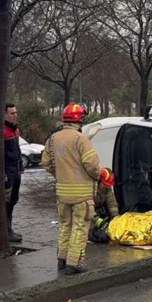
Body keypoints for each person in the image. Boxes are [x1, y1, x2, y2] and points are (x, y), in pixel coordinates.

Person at [41, 103, 101, 275]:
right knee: (80, 227)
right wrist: (95, 176)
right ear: (79, 119)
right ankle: (75, 263)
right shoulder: (80, 138)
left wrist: (59, 174)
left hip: (62, 192)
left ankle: (62, 258)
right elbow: (92, 164)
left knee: (65, 225)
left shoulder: (52, 139)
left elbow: (46, 162)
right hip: (81, 194)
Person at [4, 103, 24, 242]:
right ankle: (6, 230)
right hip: (8, 170)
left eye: (16, 112)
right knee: (6, 201)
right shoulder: (3, 131)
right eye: (12, 113)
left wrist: (21, 165)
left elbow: (17, 149)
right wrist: (3, 172)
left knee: (13, 200)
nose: (15, 115)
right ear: (4, 115)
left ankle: (9, 228)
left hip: (15, 169)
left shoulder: (15, 130)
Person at [88, 168, 119, 243]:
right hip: (88, 214)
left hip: (98, 212)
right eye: (105, 185)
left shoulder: (107, 189)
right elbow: (87, 208)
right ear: (99, 182)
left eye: (108, 185)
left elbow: (112, 203)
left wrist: (116, 217)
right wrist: (98, 221)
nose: (107, 187)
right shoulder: (90, 188)